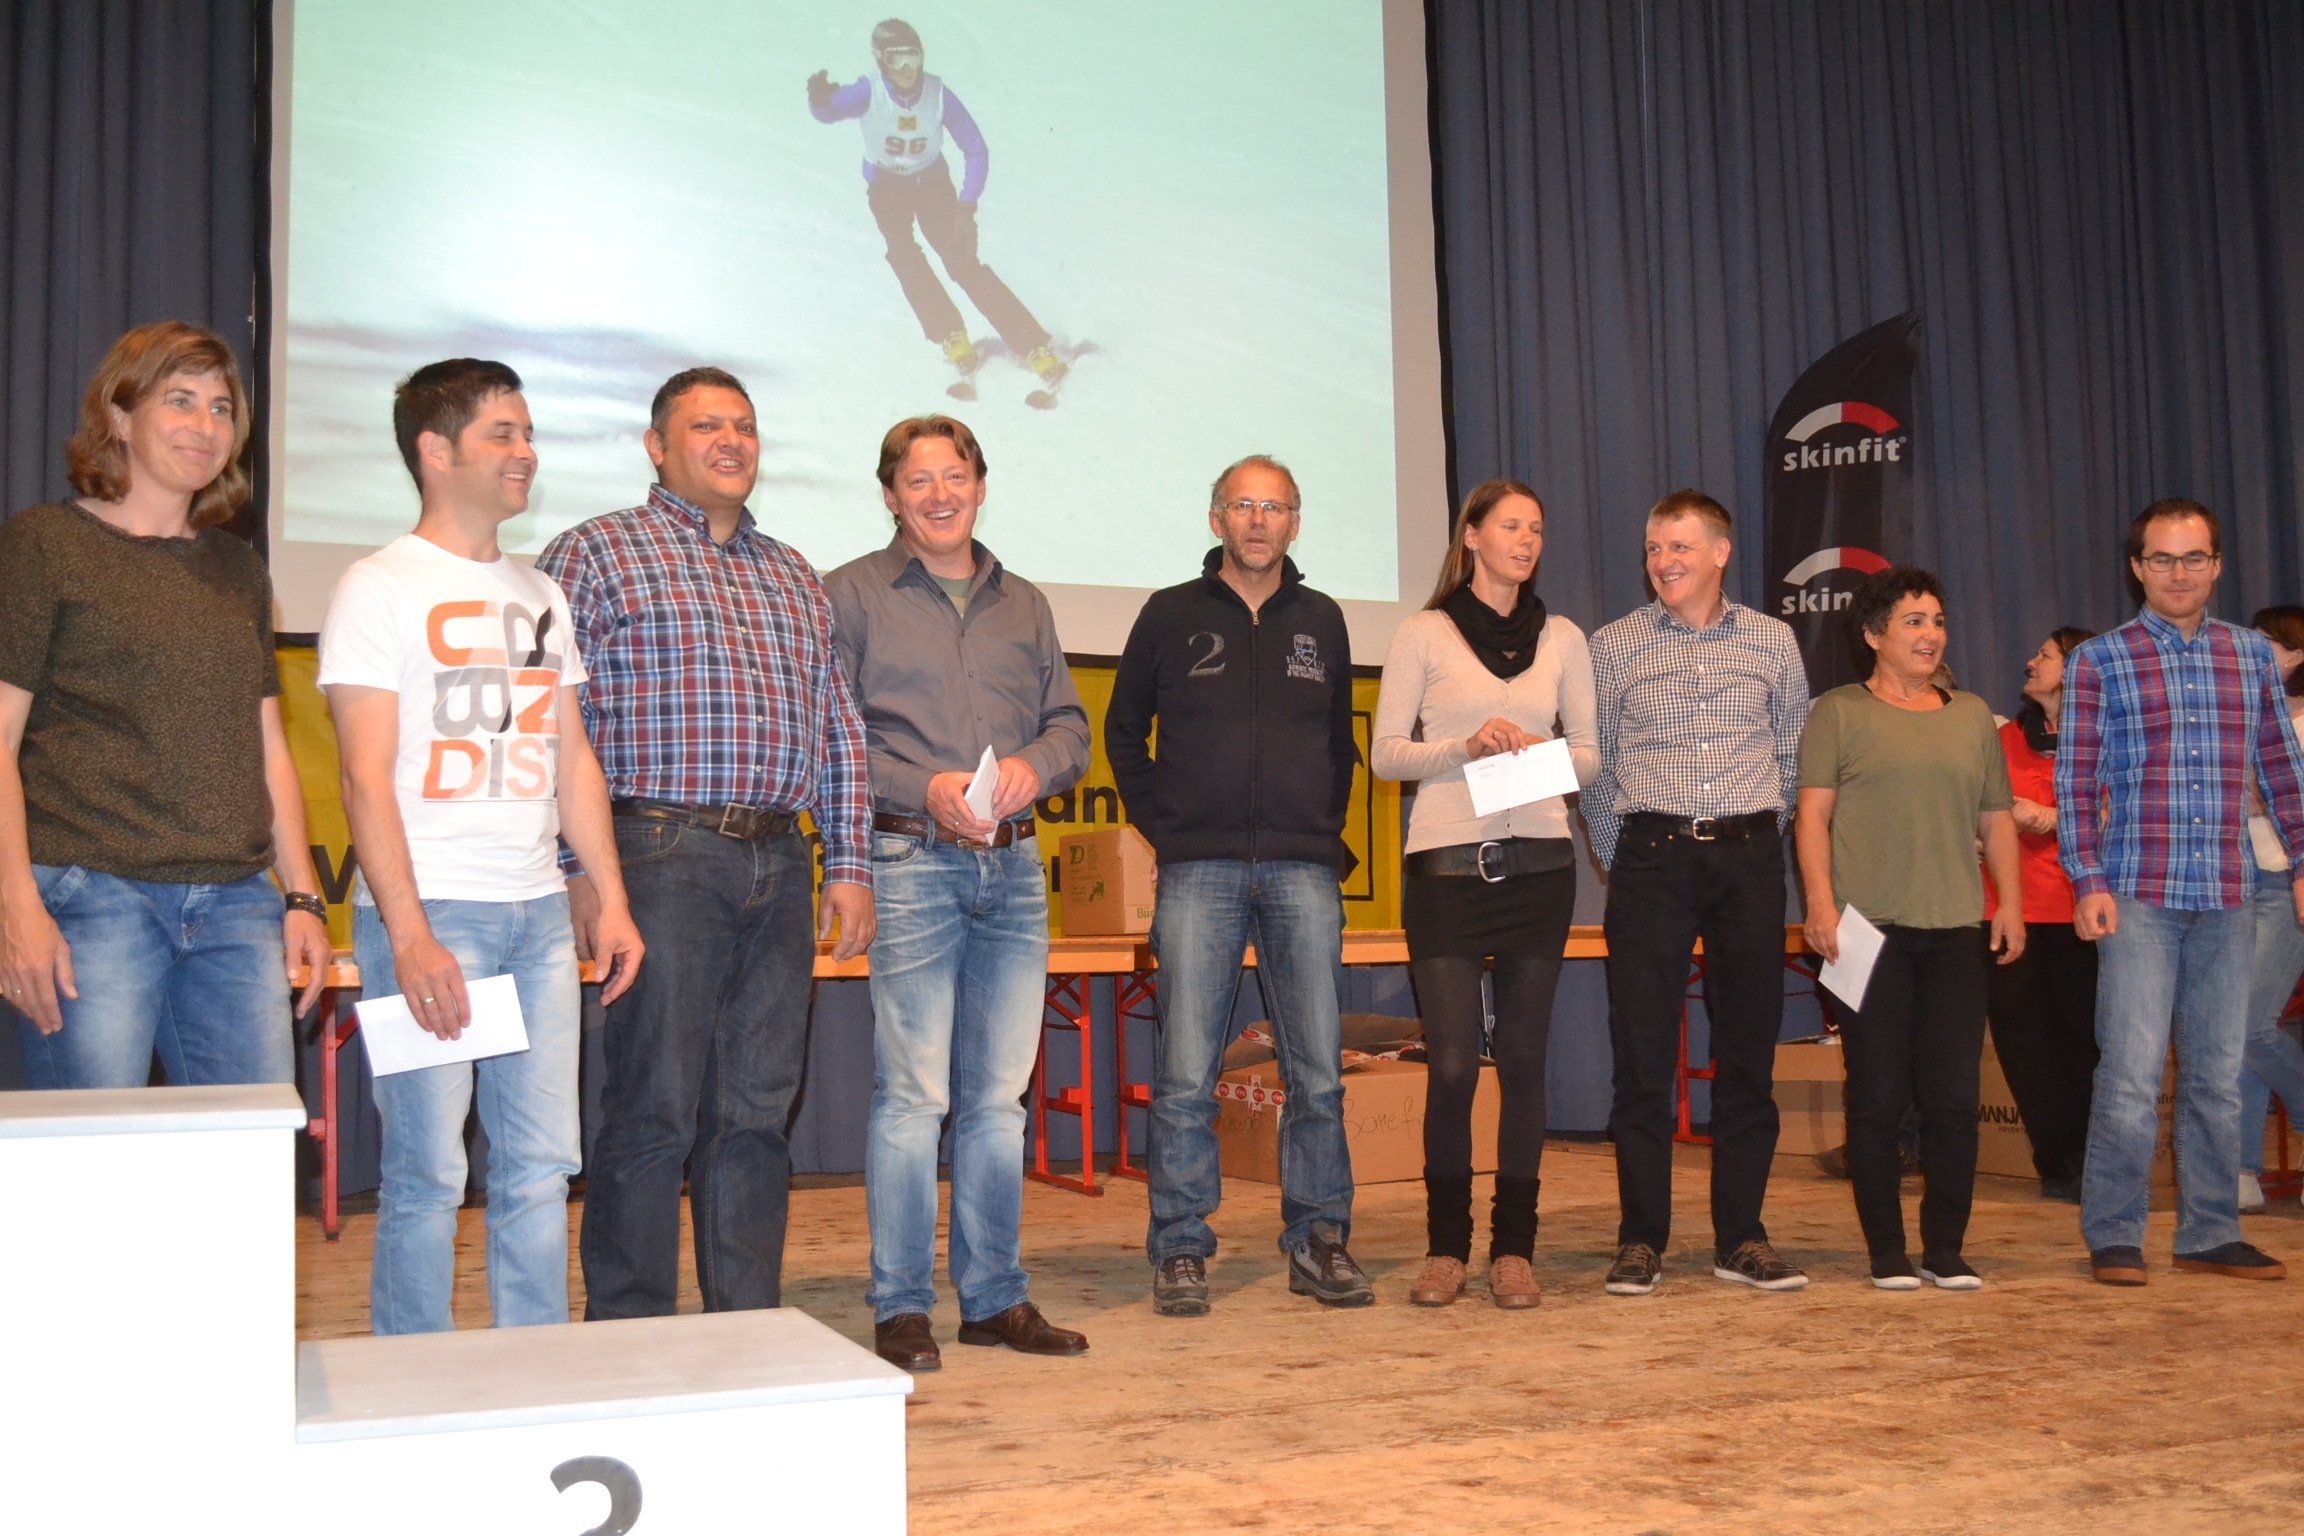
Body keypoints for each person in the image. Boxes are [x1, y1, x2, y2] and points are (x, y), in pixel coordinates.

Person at [535, 367, 876, 1318]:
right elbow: (550, 727)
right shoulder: (594, 553)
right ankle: (631, 1328)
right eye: (705, 426)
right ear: (656, 446)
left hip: (780, 860)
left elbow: (837, 726)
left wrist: (847, 864)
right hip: (658, 855)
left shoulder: (794, 572)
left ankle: (746, 1327)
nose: (731, 442)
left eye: (745, 426)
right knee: (653, 1109)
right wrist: (578, 870)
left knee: (757, 1113)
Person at [321, 359, 644, 1334]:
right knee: (427, 1173)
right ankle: (416, 1380)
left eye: (528, 433)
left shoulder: (541, 591)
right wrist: (410, 934)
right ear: (435, 449)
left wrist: (611, 898)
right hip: (433, 913)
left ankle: (531, 1369)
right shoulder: (377, 585)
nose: (525, 452)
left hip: (537, 914)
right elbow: (363, 776)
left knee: (541, 1166)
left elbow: (571, 756)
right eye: (502, 432)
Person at [826, 416, 1091, 1370]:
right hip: (911, 862)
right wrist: (923, 787)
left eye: (955, 476)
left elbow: (1072, 728)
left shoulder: (1026, 603)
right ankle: (901, 1308)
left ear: (981, 486)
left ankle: (994, 1299)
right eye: (918, 479)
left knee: (999, 1102)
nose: (939, 495)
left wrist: (1034, 766)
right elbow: (834, 737)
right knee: (913, 1097)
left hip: (1014, 870)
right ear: (890, 495)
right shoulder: (850, 593)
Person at [0, 321, 330, 1087]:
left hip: (237, 905)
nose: (205, 426)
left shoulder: (238, 567)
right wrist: (16, 907)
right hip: (92, 896)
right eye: (180, 401)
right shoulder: (45, 545)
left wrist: (304, 898)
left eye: (221, 408)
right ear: (119, 417)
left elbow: (267, 746)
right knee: (96, 1146)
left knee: (249, 1149)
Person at [1108, 454, 1366, 1314]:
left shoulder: (1323, 620)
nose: (1259, 521)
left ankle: (1320, 1239)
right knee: (1186, 1074)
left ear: (1295, 522)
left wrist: (1317, 825)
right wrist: (1168, 827)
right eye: (1243, 506)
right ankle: (1181, 1246)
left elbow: (1340, 743)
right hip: (1199, 870)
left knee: (1317, 1073)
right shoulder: (1169, 613)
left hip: (1302, 869)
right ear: (1216, 518)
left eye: (1275, 507)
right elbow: (1123, 731)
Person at [2058, 500, 2304, 1285]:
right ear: (2137, 568)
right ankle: (2115, 1234)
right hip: (2136, 892)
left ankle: (2209, 1232)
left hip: (2230, 893)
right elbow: (2074, 782)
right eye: (2162, 559)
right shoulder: (2100, 660)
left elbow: (2281, 766)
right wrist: (2086, 879)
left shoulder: (2250, 655)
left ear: (2217, 566)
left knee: (2217, 1074)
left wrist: (2303, 862)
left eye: (2194, 557)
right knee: (2130, 1075)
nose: (2179, 573)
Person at [1371, 480, 1597, 1308]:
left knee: (1526, 1060)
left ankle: (1514, 1250)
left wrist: (1532, 757)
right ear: (1471, 536)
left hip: (1540, 869)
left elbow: (1589, 759)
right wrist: (1467, 748)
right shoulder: (1423, 632)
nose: (1526, 540)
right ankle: (1445, 1249)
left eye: (1536, 527)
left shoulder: (1564, 637)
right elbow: (1386, 755)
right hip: (1446, 873)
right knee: (1455, 1065)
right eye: (1510, 526)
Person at [1584, 489, 1810, 1296]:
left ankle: (1741, 1236)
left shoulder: (1774, 641)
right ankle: (1641, 1238)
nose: (1663, 561)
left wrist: (1757, 841)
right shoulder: (1613, 645)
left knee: (1747, 1053)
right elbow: (1597, 767)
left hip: (1749, 858)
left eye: (1679, 546)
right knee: (1643, 1056)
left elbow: (1792, 755)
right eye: (1653, 548)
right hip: (1651, 856)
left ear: (1720, 552)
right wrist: (1627, 855)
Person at [1795, 567, 2024, 1290]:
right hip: (1865, 934)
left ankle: (1945, 1249)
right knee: (1877, 1096)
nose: (1931, 635)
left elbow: (1996, 819)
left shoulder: (1971, 716)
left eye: (1938, 621)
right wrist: (1821, 905)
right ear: (1873, 635)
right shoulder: (1838, 712)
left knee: (1953, 1098)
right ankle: (1886, 1252)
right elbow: (1812, 817)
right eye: (1914, 621)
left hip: (1955, 929)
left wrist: (2010, 903)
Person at [807, 18, 1068, 402]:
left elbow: (976, 148)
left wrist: (967, 204)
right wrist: (819, 99)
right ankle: (950, 333)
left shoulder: (938, 94)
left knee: (962, 262)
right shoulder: (869, 91)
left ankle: (1031, 343)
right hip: (887, 189)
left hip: (932, 187)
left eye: (913, 59)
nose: (907, 69)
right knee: (903, 254)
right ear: (881, 61)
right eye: (898, 61)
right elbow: (827, 113)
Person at [1981, 627, 2099, 1204]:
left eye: (2046, 655)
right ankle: (2058, 1162)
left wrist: (2052, 819)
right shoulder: (2003, 739)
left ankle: (2095, 1161)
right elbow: (1974, 805)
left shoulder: (2106, 736)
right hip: (2007, 909)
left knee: (2083, 1041)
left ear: (2076, 669)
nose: (2031, 662)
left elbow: (2123, 811)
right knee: (2023, 1044)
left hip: (2082, 909)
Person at [2238, 605, 2304, 1210]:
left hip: (2290, 884)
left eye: (2268, 642)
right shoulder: (2245, 714)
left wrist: (2267, 795)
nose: (2255, 650)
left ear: (2296, 656)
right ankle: (2241, 1170)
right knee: (2231, 1024)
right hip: (2238, 879)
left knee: (2250, 1025)